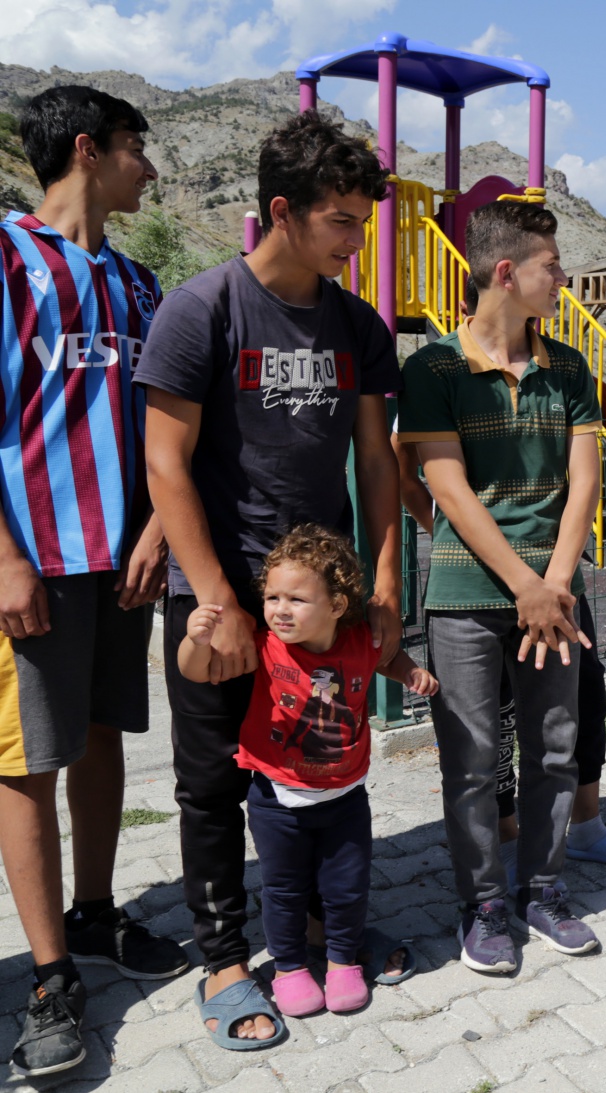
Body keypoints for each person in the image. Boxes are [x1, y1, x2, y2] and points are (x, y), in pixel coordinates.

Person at [138, 111, 403, 1049]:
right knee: (211, 782)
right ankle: (224, 958)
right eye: (341, 220)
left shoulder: (359, 325)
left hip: (319, 600)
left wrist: (381, 579)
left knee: (323, 769)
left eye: (362, 220)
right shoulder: (201, 309)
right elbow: (165, 464)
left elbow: (378, 463)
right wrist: (216, 599)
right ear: (282, 213)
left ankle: (326, 931)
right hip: (216, 588)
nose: (356, 237)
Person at [0, 86, 184, 1079]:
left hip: (125, 560)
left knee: (105, 733)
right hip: (34, 562)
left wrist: (157, 524)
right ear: (88, 149)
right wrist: (5, 559)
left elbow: (167, 423)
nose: (149, 170)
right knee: (27, 758)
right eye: (136, 150)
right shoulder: (4, 259)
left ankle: (98, 911)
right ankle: (47, 976)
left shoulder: (138, 284)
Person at [398, 201, 602, 970]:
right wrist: (523, 581)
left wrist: (553, 581)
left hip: (553, 596)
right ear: (508, 273)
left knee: (556, 749)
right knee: (473, 760)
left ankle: (542, 890)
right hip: (465, 597)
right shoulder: (433, 369)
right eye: (552, 266)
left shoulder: (570, 366)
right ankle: (481, 904)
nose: (563, 278)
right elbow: (445, 486)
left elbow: (583, 483)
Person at [178, 527, 436, 1018]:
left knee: (346, 887)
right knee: (283, 890)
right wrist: (195, 641)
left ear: (338, 604)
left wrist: (410, 673)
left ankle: (342, 963)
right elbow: (195, 671)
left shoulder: (360, 640)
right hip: (277, 802)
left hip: (346, 799)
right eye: (272, 596)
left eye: (296, 598)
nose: (279, 609)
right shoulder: (265, 646)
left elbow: (387, 659)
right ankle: (290, 968)